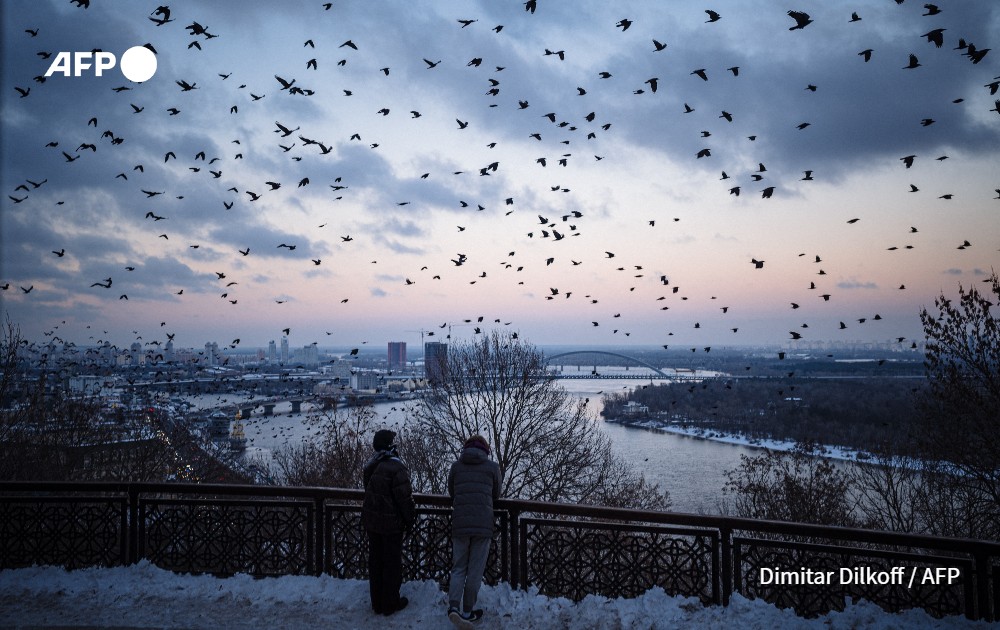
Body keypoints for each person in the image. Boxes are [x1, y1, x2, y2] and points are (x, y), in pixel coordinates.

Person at [447, 434, 502, 628]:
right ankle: (468, 612)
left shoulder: (456, 467)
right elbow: (496, 495)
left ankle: (454, 607)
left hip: (460, 523)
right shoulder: (492, 467)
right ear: (485, 449)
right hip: (482, 524)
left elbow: (452, 492)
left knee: (459, 567)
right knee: (475, 570)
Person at [362, 429, 416, 616]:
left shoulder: (371, 465)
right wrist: (410, 520)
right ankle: (390, 603)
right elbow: (404, 499)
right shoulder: (396, 468)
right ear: (390, 446)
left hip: (372, 522)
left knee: (376, 561)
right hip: (391, 524)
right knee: (392, 563)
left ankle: (377, 602)